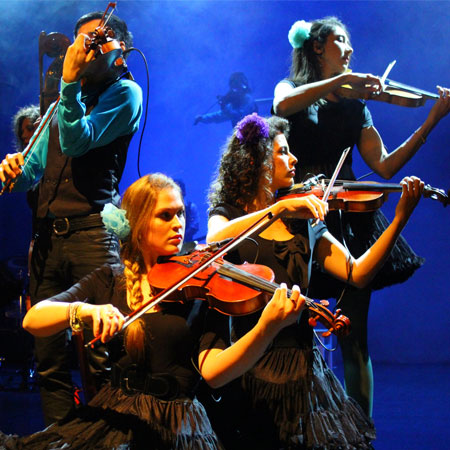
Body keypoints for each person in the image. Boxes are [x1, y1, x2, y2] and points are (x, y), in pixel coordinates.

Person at [0, 172, 306, 449]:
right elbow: (33, 319)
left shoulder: (203, 285)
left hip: (180, 425)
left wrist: (266, 329)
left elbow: (214, 373)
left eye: (181, 213)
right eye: (165, 215)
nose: (178, 224)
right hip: (117, 418)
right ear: (138, 223)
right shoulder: (110, 279)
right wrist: (83, 311)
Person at [206, 113, 424, 449]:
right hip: (251, 364)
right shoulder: (231, 215)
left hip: (303, 368)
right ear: (258, 161)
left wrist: (399, 220)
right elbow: (214, 240)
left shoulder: (303, 220)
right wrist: (275, 211)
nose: (294, 159)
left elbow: (358, 272)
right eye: (282, 152)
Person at [272, 17, 450, 417]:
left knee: (355, 336)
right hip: (298, 220)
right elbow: (282, 106)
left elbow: (384, 168)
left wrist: (431, 119)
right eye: (340, 40)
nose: (350, 49)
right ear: (317, 47)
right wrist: (337, 84)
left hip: (349, 220)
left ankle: (361, 431)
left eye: (350, 42)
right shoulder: (291, 90)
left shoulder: (356, 109)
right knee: (288, 330)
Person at [0, 10, 142, 425]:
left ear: (116, 49)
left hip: (92, 236)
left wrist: (66, 85)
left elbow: (79, 141)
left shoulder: (124, 93)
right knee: (48, 358)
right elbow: (37, 167)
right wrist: (14, 169)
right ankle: (59, 439)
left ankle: (106, 438)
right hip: (49, 238)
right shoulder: (64, 92)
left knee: (100, 357)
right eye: (78, 42)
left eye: (92, 42)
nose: (80, 50)